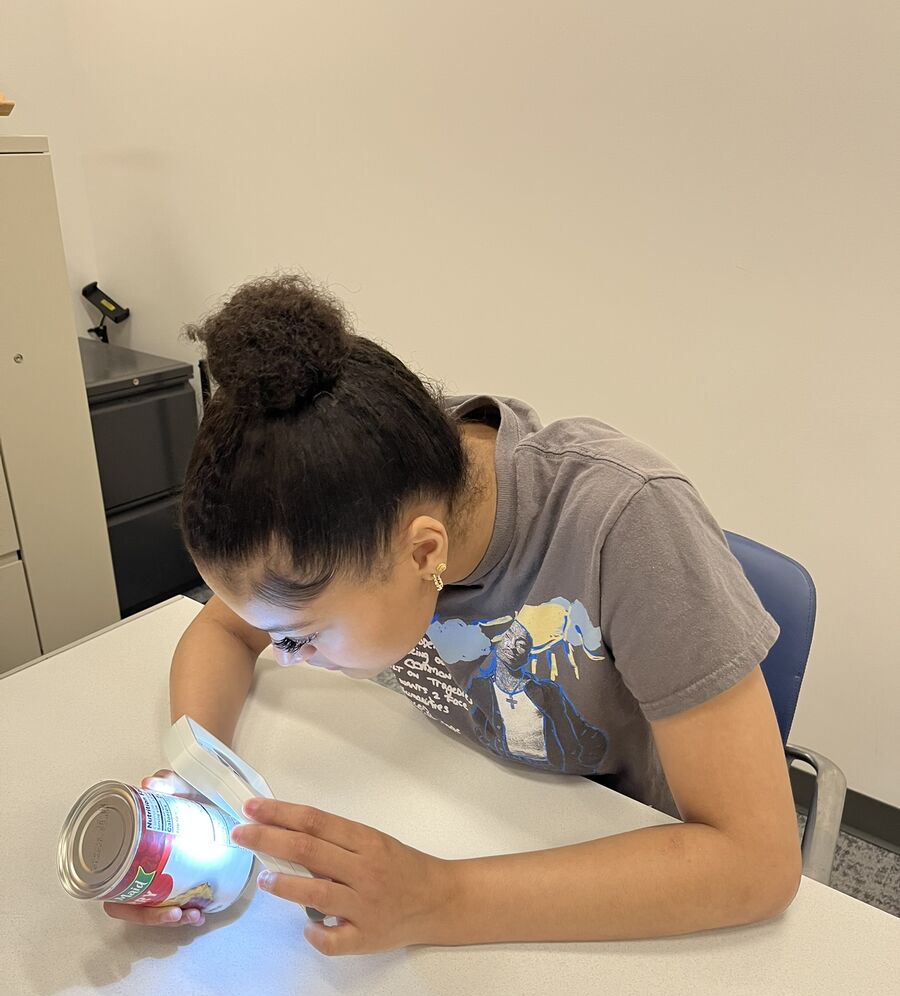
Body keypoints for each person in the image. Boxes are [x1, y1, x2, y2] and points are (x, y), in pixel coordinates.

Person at [105, 273, 801, 954]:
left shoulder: (625, 524)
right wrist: (197, 775)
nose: (285, 655)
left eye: (302, 638)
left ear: (423, 553)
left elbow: (756, 860)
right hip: (476, 802)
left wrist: (439, 899)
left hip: (625, 845)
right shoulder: (355, 499)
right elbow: (226, 627)